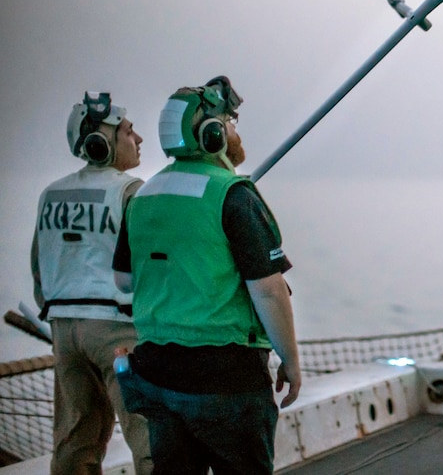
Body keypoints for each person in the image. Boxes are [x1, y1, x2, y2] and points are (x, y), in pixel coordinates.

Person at [112, 75, 301, 474]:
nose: (235, 130)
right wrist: (291, 360)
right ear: (211, 133)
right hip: (226, 379)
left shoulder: (143, 196)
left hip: (157, 376)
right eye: (229, 122)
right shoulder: (233, 193)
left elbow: (124, 281)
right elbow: (268, 292)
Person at [31, 92, 154, 475]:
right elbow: (151, 267)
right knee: (149, 437)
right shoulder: (130, 191)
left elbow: (39, 268)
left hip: (64, 333)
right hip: (119, 334)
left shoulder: (50, 194)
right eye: (130, 132)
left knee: (74, 443)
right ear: (101, 143)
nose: (140, 140)